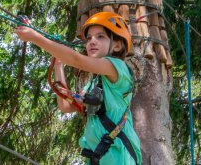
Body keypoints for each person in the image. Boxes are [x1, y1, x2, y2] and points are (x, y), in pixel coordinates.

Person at [15, 12, 142, 165]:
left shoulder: (118, 68)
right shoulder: (95, 83)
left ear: (117, 45)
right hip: (100, 156)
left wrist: (35, 37)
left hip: (119, 156)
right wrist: (58, 66)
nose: (92, 41)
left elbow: (76, 60)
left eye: (100, 36)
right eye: (89, 38)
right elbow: (66, 106)